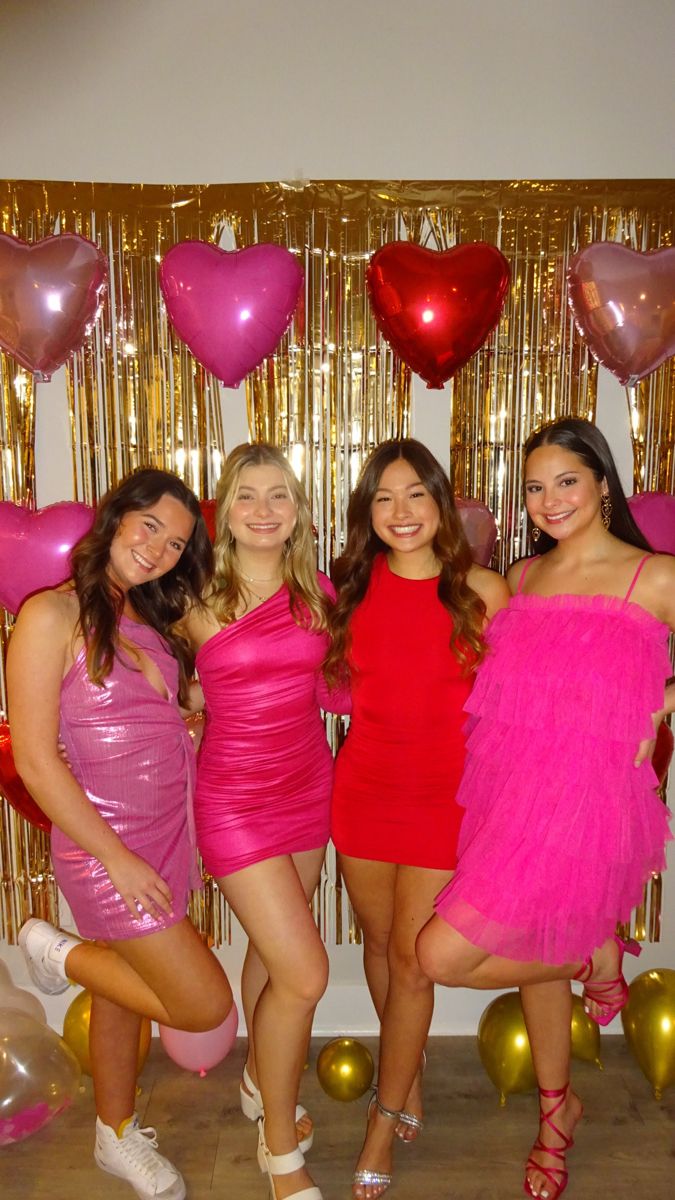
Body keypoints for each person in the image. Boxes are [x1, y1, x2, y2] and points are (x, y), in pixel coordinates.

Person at [416, 417, 675, 1200]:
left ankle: (592, 957)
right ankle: (556, 1114)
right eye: (534, 487)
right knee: (533, 949)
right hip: (508, 795)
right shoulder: (521, 580)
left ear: (602, 484)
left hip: (590, 803)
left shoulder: (654, 575)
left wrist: (668, 700)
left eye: (566, 480)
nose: (549, 499)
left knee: (438, 956)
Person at [10, 469, 233, 1200]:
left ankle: (113, 1134)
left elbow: (143, 718)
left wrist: (187, 721)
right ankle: (55, 951)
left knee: (126, 995)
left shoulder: (142, 621)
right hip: (107, 847)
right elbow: (39, 763)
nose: (159, 551)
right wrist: (116, 859)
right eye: (149, 528)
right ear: (115, 518)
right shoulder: (49, 616)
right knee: (202, 1004)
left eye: (175, 544)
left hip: (166, 831)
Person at [325, 438, 509, 1199]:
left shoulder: (483, 591)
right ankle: (411, 1073)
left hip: (445, 798)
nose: (400, 513)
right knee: (377, 942)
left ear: (440, 504)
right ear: (367, 514)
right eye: (383, 499)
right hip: (362, 792)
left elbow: (521, 705)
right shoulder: (348, 589)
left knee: (411, 958)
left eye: (415, 495)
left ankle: (384, 1112)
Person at [177, 443, 349, 1200]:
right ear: (226, 508)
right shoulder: (190, 598)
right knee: (305, 972)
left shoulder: (318, 591)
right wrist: (184, 705)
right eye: (247, 495)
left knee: (273, 954)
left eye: (279, 495)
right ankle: (278, 1147)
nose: (264, 510)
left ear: (296, 510)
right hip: (234, 801)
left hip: (308, 786)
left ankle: (257, 1079)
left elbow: (339, 687)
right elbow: (157, 679)